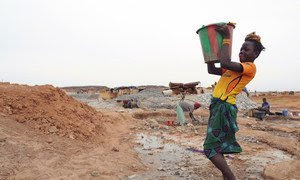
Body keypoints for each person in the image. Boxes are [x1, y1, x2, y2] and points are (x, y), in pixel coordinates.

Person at [204, 26, 265, 180]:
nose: (241, 52)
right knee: (219, 147)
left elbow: (225, 61)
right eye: (240, 49)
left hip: (224, 108)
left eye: (246, 50)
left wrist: (226, 38)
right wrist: (209, 50)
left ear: (255, 54)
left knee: (210, 148)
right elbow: (211, 69)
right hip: (217, 106)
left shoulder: (249, 68)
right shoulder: (231, 70)